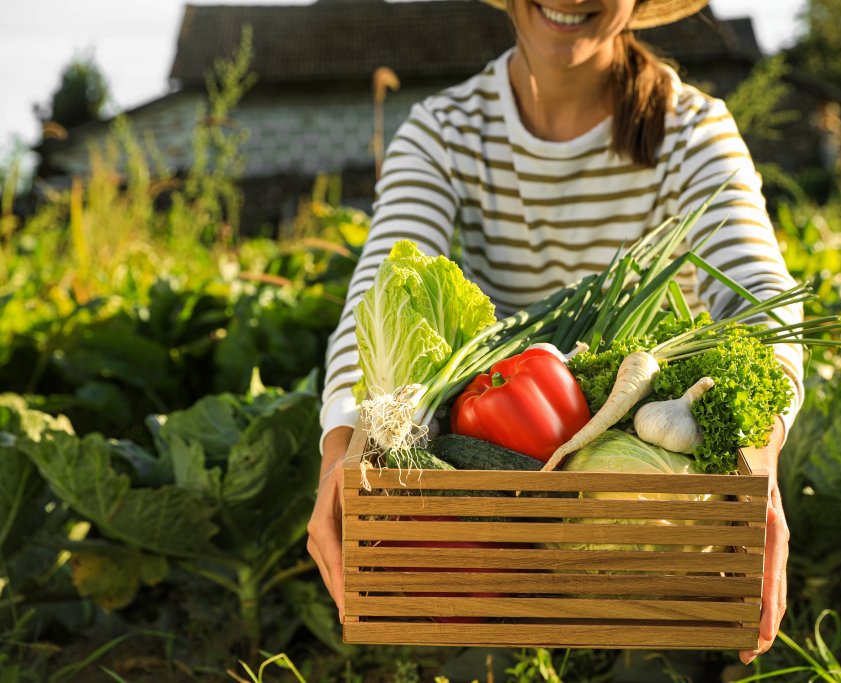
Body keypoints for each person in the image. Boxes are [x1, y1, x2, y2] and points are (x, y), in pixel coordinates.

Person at [307, 0, 802, 670]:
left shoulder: (691, 130)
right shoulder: (444, 130)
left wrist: (760, 459)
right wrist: (342, 447)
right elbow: (379, 288)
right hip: (492, 469)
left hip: (648, 492)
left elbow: (761, 298)